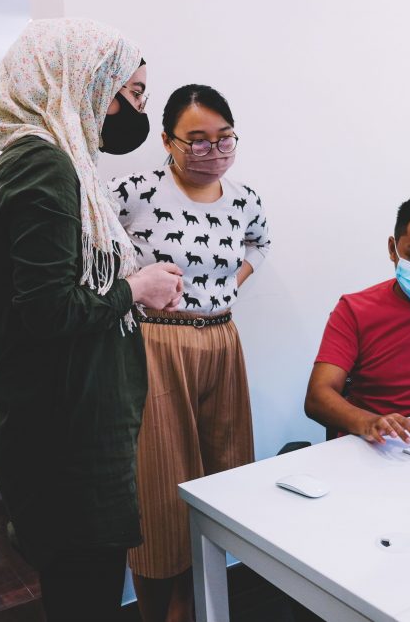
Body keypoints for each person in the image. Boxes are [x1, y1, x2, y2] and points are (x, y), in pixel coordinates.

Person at [0, 18, 183, 620]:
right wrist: (134, 289)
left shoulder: (45, 161)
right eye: (135, 94)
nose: (138, 109)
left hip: (67, 426)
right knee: (85, 595)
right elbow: (48, 310)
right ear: (83, 83)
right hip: (65, 439)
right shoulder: (45, 167)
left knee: (81, 592)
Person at [109, 84, 270, 622]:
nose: (213, 151)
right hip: (155, 342)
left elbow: (258, 245)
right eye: (196, 141)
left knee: (225, 470)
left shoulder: (245, 198)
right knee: (159, 485)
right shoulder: (135, 191)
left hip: (221, 340)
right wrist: (135, 283)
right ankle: (157, 611)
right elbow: (90, 248)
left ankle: (198, 603)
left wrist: (227, 285)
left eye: (224, 139)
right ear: (167, 141)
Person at [304, 191, 410, 444]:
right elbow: (318, 396)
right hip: (383, 446)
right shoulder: (354, 310)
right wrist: (368, 421)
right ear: (393, 249)